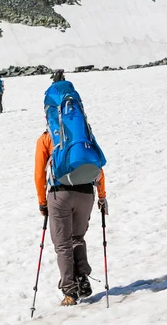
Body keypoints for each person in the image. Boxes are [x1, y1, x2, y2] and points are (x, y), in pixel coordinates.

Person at [34, 71, 107, 306]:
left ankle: (69, 291)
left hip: (59, 194)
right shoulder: (83, 132)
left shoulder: (47, 138)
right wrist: (102, 196)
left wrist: (42, 202)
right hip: (86, 191)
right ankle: (83, 278)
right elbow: (96, 164)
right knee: (78, 238)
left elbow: (39, 174)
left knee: (62, 244)